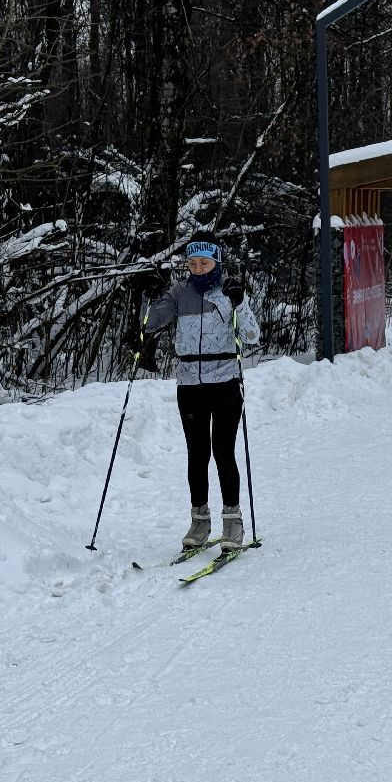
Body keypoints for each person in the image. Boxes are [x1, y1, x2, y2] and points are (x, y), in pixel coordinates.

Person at [135, 235, 261, 551]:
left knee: (222, 451)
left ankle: (233, 522)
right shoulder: (180, 292)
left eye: (204, 263)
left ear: (216, 262)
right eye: (192, 264)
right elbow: (149, 325)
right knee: (197, 454)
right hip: (190, 384)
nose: (198, 269)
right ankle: (199, 521)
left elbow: (251, 336)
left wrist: (241, 303)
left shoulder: (229, 292)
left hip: (225, 381)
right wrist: (146, 297)